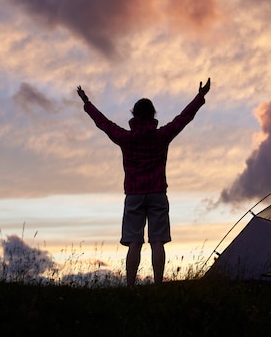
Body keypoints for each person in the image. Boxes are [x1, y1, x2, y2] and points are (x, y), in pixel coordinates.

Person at [76, 79, 211, 286]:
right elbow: (183, 118)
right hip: (157, 193)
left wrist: (87, 103)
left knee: (134, 243)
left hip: (134, 195)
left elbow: (103, 123)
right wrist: (200, 96)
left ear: (134, 116)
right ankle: (158, 285)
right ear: (153, 115)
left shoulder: (126, 138)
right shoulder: (161, 136)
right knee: (157, 242)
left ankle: (130, 286)